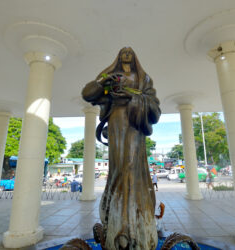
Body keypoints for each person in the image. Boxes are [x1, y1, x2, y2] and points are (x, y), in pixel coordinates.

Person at [82, 47, 161, 249]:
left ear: (135, 56)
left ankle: (137, 214)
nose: (126, 53)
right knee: (118, 164)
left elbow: (153, 103)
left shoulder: (144, 78)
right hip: (117, 119)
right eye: (123, 51)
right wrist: (102, 83)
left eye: (130, 51)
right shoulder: (110, 75)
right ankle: (116, 210)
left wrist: (132, 95)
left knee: (132, 163)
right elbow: (88, 94)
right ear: (118, 56)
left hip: (135, 120)